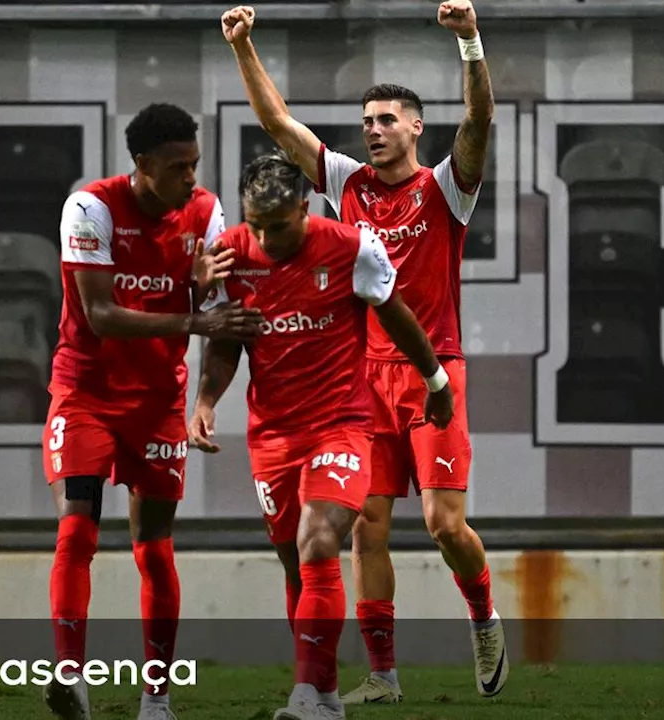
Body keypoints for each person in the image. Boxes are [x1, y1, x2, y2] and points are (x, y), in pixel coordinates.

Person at [219, 0, 507, 704]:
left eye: (387, 120)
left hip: (434, 369)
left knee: (444, 524)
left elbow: (480, 123)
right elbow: (279, 127)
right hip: (359, 381)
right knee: (365, 530)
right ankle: (383, 675)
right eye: (368, 121)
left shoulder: (445, 189)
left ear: (415, 127)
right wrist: (242, 48)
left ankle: (483, 617)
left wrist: (469, 40)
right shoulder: (345, 182)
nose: (374, 130)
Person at [188, 151, 453, 720]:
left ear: (304, 209)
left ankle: (305, 694)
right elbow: (227, 341)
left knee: (319, 538)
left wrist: (435, 379)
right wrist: (206, 400)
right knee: (296, 563)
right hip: (273, 435)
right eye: (256, 224)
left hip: (342, 425)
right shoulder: (232, 254)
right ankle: (326, 693)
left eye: (277, 226)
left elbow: (398, 313)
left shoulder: (352, 248)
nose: (266, 237)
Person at [42, 102, 264, 720]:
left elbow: (221, 311)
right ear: (141, 165)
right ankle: (70, 677)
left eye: (194, 165)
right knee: (78, 527)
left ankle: (156, 699)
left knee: (154, 548)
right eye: (176, 168)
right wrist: (193, 311)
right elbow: (100, 315)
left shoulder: (206, 212)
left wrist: (204, 395)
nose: (190, 179)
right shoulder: (90, 208)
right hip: (86, 391)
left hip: (159, 400)